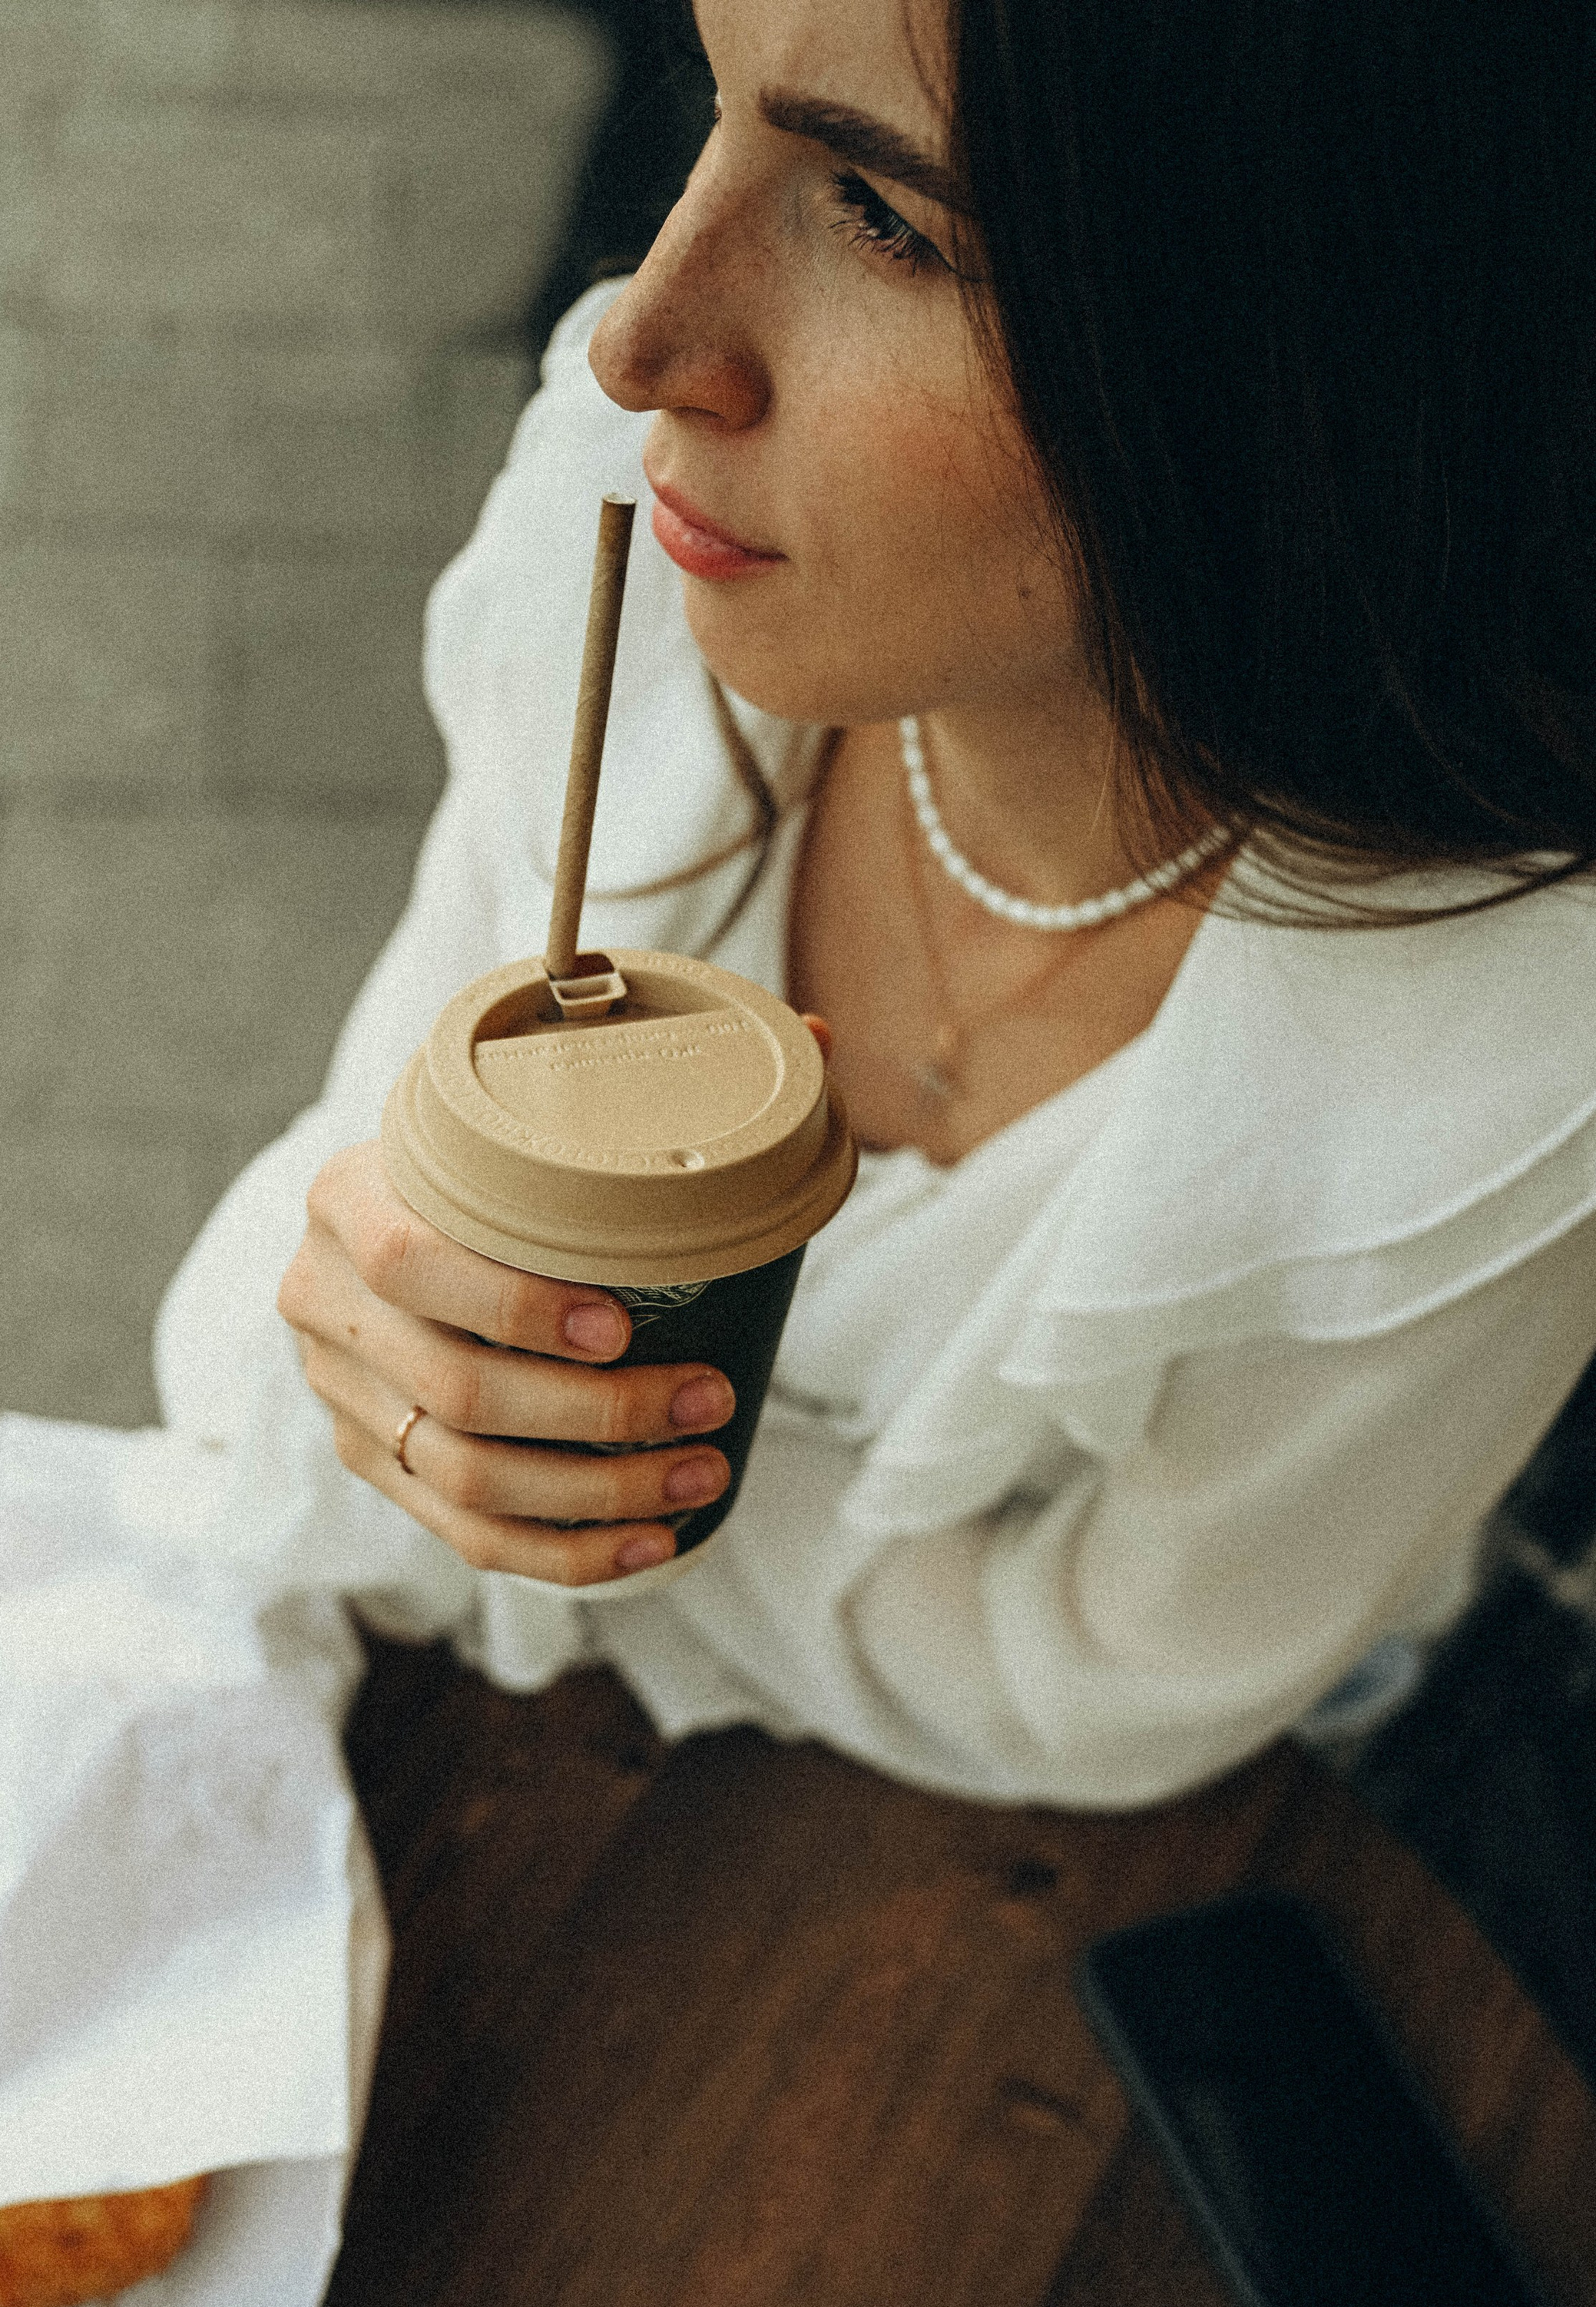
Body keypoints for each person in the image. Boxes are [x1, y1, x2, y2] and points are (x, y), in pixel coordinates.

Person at [156, 0, 1596, 1812]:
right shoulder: (629, 582)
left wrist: (606, 1499)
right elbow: (360, 1204)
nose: (635, 343)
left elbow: (1102, 1688)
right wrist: (386, 1341)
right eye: (712, 97)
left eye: (886, 217)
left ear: (1310, 344)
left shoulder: (1498, 1062)